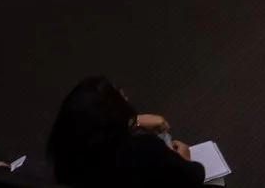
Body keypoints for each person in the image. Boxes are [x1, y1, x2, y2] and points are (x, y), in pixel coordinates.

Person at [44, 76, 202, 187]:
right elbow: (193, 177)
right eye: (118, 96)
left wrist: (135, 121)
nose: (124, 95)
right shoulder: (144, 151)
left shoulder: (68, 160)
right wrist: (183, 157)